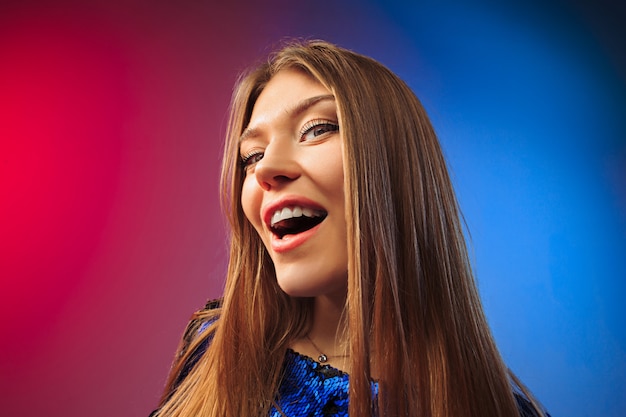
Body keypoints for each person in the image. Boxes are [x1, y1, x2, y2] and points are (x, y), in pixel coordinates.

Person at [151, 40, 548, 417]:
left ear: (395, 166)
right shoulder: (213, 355)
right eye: (252, 156)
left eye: (317, 129)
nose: (266, 170)